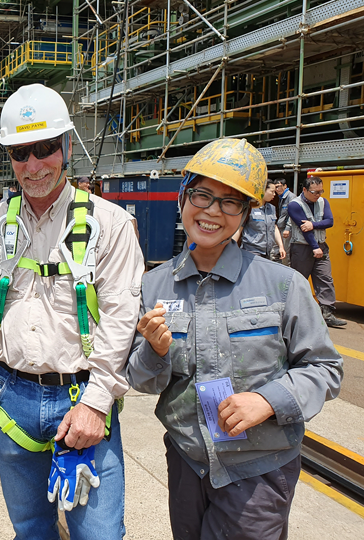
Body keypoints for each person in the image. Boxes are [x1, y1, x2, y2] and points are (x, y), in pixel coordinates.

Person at [126, 138, 343, 540]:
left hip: (259, 471)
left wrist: (267, 400)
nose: (211, 211)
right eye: (202, 195)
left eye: (230, 202)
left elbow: (325, 368)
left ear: (246, 212)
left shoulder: (283, 285)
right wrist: (155, 352)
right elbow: (142, 380)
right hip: (188, 463)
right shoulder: (154, 286)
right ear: (183, 195)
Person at [0, 84, 144, 539]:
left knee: (98, 534)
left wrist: (97, 405)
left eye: (45, 149)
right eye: (22, 153)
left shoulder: (108, 223)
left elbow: (120, 319)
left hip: (81, 400)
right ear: (10, 157)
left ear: (67, 146)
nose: (34, 165)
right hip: (11, 401)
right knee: (31, 530)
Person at [287, 176, 347, 328]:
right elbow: (304, 229)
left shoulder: (323, 202)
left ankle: (327, 313)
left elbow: (330, 221)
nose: (318, 195)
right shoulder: (294, 205)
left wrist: (313, 225)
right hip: (302, 247)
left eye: (321, 191)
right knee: (299, 280)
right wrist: (314, 246)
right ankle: (295, 312)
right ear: (305, 190)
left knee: (325, 278)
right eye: (314, 192)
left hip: (321, 245)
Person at [233, 180, 286, 260]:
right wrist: (231, 246)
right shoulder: (250, 207)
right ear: (263, 191)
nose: (274, 194)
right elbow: (239, 229)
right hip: (251, 252)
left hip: (268, 252)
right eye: (272, 191)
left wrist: (281, 246)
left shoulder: (272, 208)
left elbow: (274, 227)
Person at [274, 178, 292, 264]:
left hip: (286, 230)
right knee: (277, 252)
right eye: (275, 187)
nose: (277, 189)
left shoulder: (291, 197)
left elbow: (292, 215)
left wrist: (288, 228)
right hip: (280, 229)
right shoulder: (281, 198)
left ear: (285, 186)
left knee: (285, 253)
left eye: (279, 186)